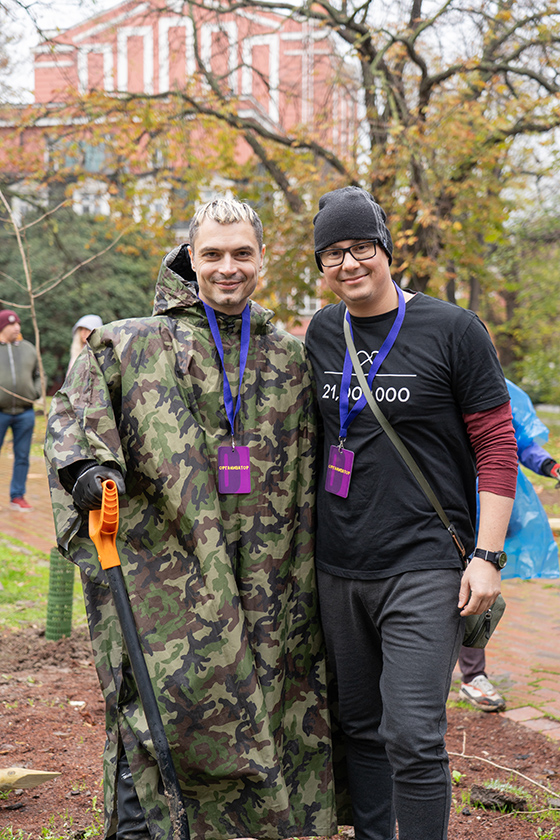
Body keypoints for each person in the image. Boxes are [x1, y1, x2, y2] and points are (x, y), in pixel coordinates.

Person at [44, 198, 337, 840]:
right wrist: (91, 470)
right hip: (167, 581)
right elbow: (73, 417)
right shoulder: (131, 343)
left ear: (262, 257)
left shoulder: (289, 357)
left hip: (271, 585)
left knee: (268, 712)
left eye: (241, 254)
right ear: (189, 257)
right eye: (212, 254)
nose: (227, 267)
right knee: (157, 713)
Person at [304, 186, 519, 840]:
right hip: (340, 564)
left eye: (361, 247)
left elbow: (496, 444)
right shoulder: (319, 332)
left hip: (426, 563)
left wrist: (487, 556)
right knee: (361, 727)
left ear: (385, 250)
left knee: (413, 733)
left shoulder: (452, 329)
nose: (349, 263)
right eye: (333, 253)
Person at [459, 378, 560, 712]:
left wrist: (550, 465)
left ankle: (473, 676)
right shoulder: (430, 374)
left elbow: (523, 442)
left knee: (477, 590)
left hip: (488, 509)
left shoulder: (498, 388)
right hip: (437, 507)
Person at [0, 309, 41, 511]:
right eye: (12, 324)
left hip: (25, 412)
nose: (17, 327)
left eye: (18, 323)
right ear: (2, 328)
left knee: (22, 456)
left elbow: (38, 373)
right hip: (0, 412)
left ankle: (17, 495)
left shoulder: (28, 348)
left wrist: (37, 390)